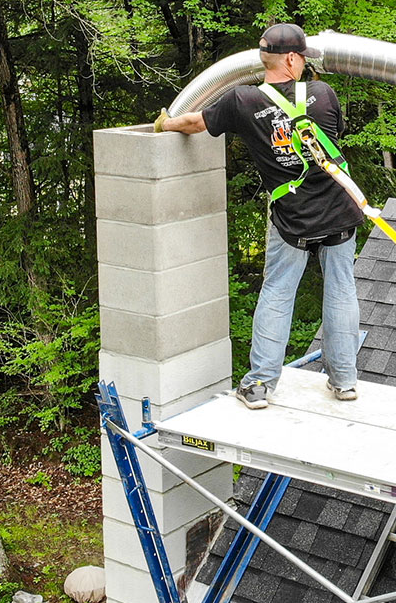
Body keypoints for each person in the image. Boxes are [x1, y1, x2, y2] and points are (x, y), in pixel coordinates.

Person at [155, 24, 363, 408]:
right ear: (291, 58)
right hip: (339, 210)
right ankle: (345, 381)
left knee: (278, 295)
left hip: (292, 217)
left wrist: (166, 123)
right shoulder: (323, 94)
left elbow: (195, 123)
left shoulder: (242, 102)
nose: (305, 65)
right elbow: (334, 139)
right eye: (303, 59)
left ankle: (260, 386)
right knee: (341, 292)